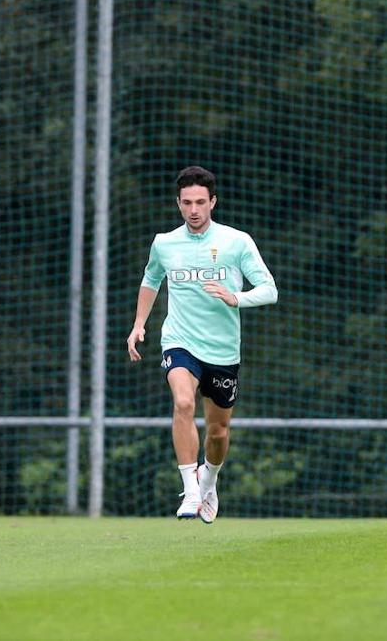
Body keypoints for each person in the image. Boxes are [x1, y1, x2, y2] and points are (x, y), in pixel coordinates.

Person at [126, 166, 277, 523]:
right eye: (186, 203)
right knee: (181, 402)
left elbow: (269, 290)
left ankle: (208, 478)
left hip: (223, 350)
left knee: (218, 431)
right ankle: (190, 491)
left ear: (213, 202)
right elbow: (151, 279)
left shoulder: (236, 242)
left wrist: (235, 297)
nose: (193, 210)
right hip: (179, 340)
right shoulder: (164, 243)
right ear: (178, 204)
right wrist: (138, 325)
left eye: (200, 202)